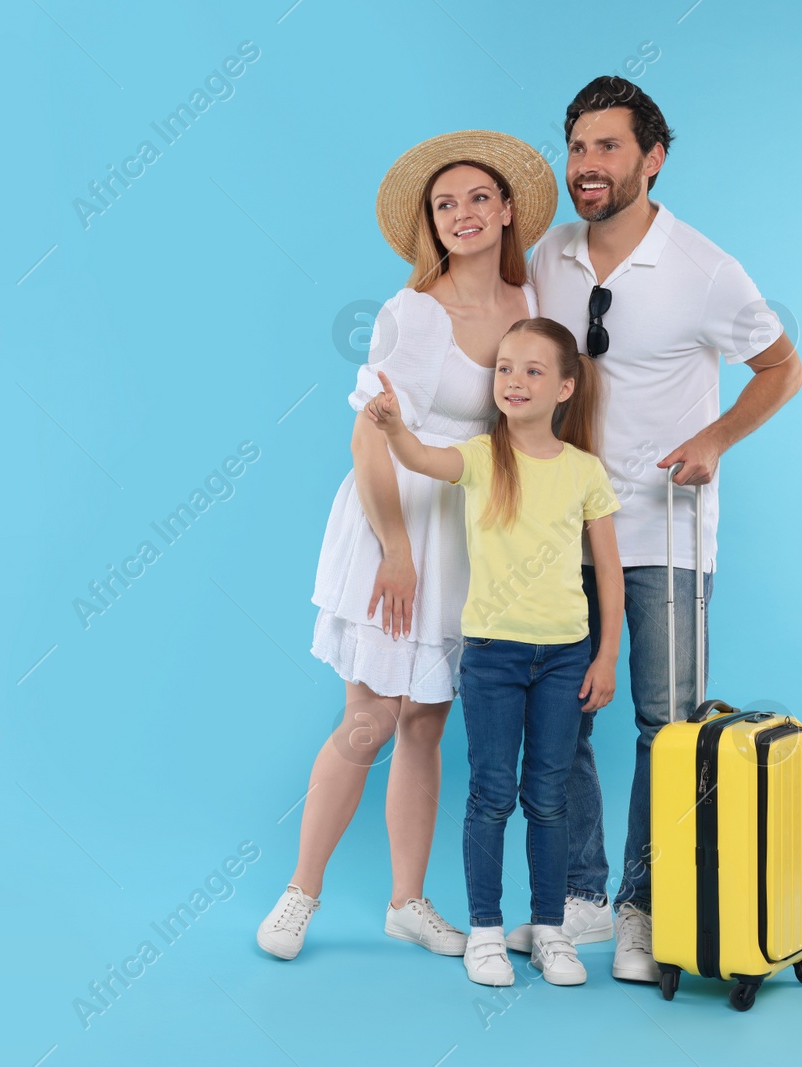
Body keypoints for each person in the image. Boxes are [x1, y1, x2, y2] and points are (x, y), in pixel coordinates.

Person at [511, 76, 802, 981]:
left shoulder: (706, 268)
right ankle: (587, 896)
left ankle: (647, 903)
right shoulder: (548, 257)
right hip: (568, 532)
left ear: (652, 157)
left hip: (667, 529)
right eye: (577, 147)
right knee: (561, 710)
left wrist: (715, 437)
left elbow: (782, 368)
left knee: (664, 723)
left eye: (608, 147)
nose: (587, 166)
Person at [256, 132, 557, 961]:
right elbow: (368, 438)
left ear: (505, 211)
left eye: (476, 199)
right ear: (431, 222)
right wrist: (395, 548)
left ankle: (406, 901)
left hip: (465, 530)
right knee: (367, 719)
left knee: (425, 721)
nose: (462, 214)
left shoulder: (530, 302)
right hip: (395, 520)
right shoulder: (413, 312)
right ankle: (299, 895)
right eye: (445, 204)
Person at [365, 317, 625, 986]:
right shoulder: (482, 457)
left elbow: (610, 572)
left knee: (547, 797)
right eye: (505, 367)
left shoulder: (584, 472)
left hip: (566, 656)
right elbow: (425, 459)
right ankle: (485, 929)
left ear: (566, 386)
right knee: (491, 794)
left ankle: (549, 931)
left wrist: (606, 656)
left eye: (533, 370)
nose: (514, 380)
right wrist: (394, 429)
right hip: (492, 658)